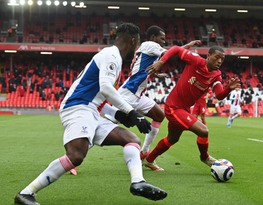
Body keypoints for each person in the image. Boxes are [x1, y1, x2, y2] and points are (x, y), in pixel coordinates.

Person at [14, 23, 167, 205]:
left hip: (92, 110)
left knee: (131, 139)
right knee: (76, 156)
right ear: (133, 40)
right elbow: (106, 88)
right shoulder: (112, 55)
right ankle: (26, 193)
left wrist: (118, 115)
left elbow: (98, 96)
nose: (137, 48)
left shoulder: (111, 56)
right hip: (78, 107)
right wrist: (131, 112)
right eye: (138, 42)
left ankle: (138, 182)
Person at [103, 25, 201, 160]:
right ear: (154, 38)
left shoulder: (147, 49)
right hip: (129, 94)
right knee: (105, 125)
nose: (164, 41)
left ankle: (144, 151)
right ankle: (74, 156)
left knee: (159, 115)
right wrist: (188, 45)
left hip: (138, 94)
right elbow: (171, 53)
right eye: (162, 38)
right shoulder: (150, 45)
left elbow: (141, 69)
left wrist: (155, 75)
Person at [143, 45, 241, 171]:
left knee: (172, 139)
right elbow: (176, 49)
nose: (219, 61)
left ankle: (149, 160)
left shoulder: (216, 75)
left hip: (184, 109)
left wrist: (228, 88)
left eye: (222, 59)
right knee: (204, 131)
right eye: (217, 57)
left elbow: (220, 95)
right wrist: (161, 61)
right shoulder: (197, 61)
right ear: (208, 56)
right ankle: (205, 157)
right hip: (173, 107)